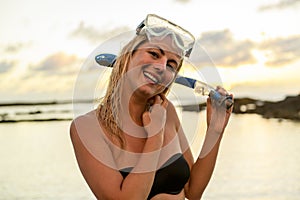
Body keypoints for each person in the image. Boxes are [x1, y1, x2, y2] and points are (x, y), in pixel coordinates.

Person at [70, 14, 233, 200]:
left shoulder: (167, 111)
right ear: (127, 57)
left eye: (171, 65)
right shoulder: (87, 128)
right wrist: (155, 135)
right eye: (154, 54)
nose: (162, 67)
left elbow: (193, 191)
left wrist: (215, 130)